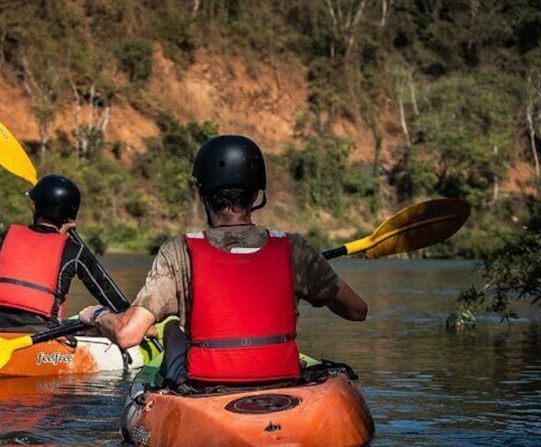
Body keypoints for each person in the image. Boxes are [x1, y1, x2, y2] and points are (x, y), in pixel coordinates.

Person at [79, 134, 367, 387]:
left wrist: (97, 315)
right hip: (282, 379)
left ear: (203, 194)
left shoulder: (178, 251)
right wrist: (313, 274)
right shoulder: (295, 248)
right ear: (256, 193)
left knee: (172, 328)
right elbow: (357, 310)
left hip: (206, 386)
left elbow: (128, 335)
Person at [0, 174, 125, 332]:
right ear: (70, 216)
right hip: (43, 333)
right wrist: (129, 315)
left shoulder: (8, 236)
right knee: (96, 320)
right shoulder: (75, 250)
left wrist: (59, 234)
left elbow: (37, 248)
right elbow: (107, 294)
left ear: (36, 208)